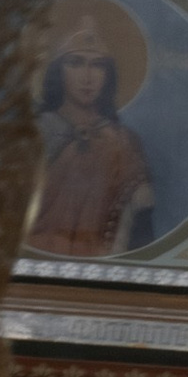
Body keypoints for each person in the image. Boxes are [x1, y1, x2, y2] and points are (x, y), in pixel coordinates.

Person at [28, 16, 155, 262]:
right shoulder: (35, 134)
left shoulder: (125, 143)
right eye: (75, 63)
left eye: (98, 65)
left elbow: (140, 232)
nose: (87, 77)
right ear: (57, 71)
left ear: (108, 74)